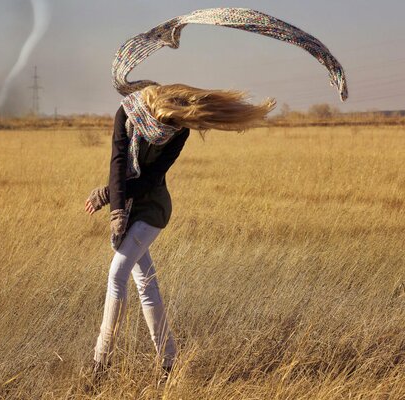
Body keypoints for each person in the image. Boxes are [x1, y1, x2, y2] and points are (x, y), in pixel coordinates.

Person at [84, 83, 275, 381]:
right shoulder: (127, 112)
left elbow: (150, 179)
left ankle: (100, 363)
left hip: (153, 209)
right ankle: (169, 362)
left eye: (170, 125)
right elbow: (118, 161)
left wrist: (109, 196)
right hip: (130, 205)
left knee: (117, 274)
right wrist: (117, 208)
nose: (165, 131)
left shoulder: (179, 132)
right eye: (162, 125)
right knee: (146, 285)